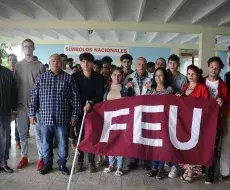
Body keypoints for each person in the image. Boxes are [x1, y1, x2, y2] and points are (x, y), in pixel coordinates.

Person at [29, 54, 81, 175]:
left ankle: (62, 164)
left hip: (62, 118)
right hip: (45, 118)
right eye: (53, 61)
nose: (56, 63)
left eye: (58, 61)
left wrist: (74, 116)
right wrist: (31, 114)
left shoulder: (68, 78)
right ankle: (47, 164)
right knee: (46, 142)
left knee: (63, 143)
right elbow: (34, 97)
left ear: (62, 63)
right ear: (49, 62)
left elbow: (75, 98)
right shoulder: (41, 78)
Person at [14, 39, 46, 170]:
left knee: (39, 134)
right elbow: (15, 86)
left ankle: (41, 158)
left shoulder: (40, 66)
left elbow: (45, 88)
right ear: (22, 49)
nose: (27, 48)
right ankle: (24, 157)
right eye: (25, 46)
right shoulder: (18, 66)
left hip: (37, 107)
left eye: (30, 46)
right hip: (21, 105)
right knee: (22, 134)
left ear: (34, 48)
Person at [177, 65, 209, 183]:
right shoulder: (185, 87)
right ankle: (187, 169)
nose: (190, 76)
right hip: (185, 121)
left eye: (193, 74)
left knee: (194, 147)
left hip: (196, 122)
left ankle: (191, 171)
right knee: (186, 147)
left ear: (198, 75)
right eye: (189, 74)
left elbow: (206, 106)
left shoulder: (202, 88)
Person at [73, 53, 104, 173]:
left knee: (91, 136)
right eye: (83, 61)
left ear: (92, 63)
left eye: (88, 62)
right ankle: (80, 161)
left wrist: (91, 103)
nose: (86, 64)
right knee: (80, 136)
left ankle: (91, 161)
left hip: (94, 110)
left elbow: (100, 94)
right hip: (80, 110)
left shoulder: (99, 77)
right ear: (80, 63)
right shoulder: (75, 77)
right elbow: (73, 94)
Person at [201, 56, 228, 184]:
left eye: (216, 68)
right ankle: (200, 168)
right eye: (212, 67)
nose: (213, 70)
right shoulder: (200, 81)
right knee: (200, 145)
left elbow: (227, 102)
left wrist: (223, 101)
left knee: (213, 147)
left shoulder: (223, 86)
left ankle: (209, 174)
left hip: (215, 121)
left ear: (219, 70)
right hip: (200, 120)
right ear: (208, 67)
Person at [123, 57, 152, 170]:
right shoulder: (128, 78)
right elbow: (122, 93)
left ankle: (145, 160)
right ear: (136, 65)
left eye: (143, 64)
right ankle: (134, 159)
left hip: (147, 111)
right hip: (133, 111)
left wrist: (153, 86)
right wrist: (126, 87)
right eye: (139, 64)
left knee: (145, 135)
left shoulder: (151, 78)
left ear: (146, 66)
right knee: (133, 135)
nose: (141, 66)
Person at [144, 68, 173, 180]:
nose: (159, 77)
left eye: (161, 75)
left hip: (165, 121)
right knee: (154, 145)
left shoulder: (169, 89)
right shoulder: (150, 90)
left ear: (165, 76)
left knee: (162, 145)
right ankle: (154, 167)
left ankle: (161, 168)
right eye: (156, 75)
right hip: (152, 121)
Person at [103, 67, 133, 176]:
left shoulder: (126, 89)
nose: (117, 77)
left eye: (119, 75)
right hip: (108, 120)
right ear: (111, 76)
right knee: (110, 142)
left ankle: (120, 166)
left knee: (120, 143)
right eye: (114, 74)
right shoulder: (106, 88)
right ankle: (111, 164)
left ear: (123, 76)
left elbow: (131, 104)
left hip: (122, 120)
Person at [0, 51, 17, 173]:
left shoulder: (7, 73)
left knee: (5, 137)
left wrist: (14, 110)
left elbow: (13, 92)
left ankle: (3, 162)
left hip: (4, 110)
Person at [7, 54, 21, 149]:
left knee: (17, 123)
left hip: (18, 101)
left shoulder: (20, 73)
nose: (12, 61)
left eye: (14, 60)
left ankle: (17, 140)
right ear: (8, 61)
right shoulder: (5, 72)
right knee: (6, 122)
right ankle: (7, 139)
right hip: (6, 101)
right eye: (10, 60)